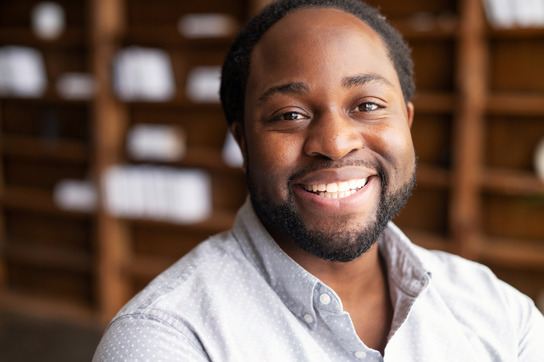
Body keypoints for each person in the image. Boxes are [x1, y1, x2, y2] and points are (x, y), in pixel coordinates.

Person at [93, 0, 544, 360]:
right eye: (290, 115)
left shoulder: (501, 313)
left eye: (367, 105)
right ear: (243, 142)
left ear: (406, 122)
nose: (334, 142)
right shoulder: (167, 341)